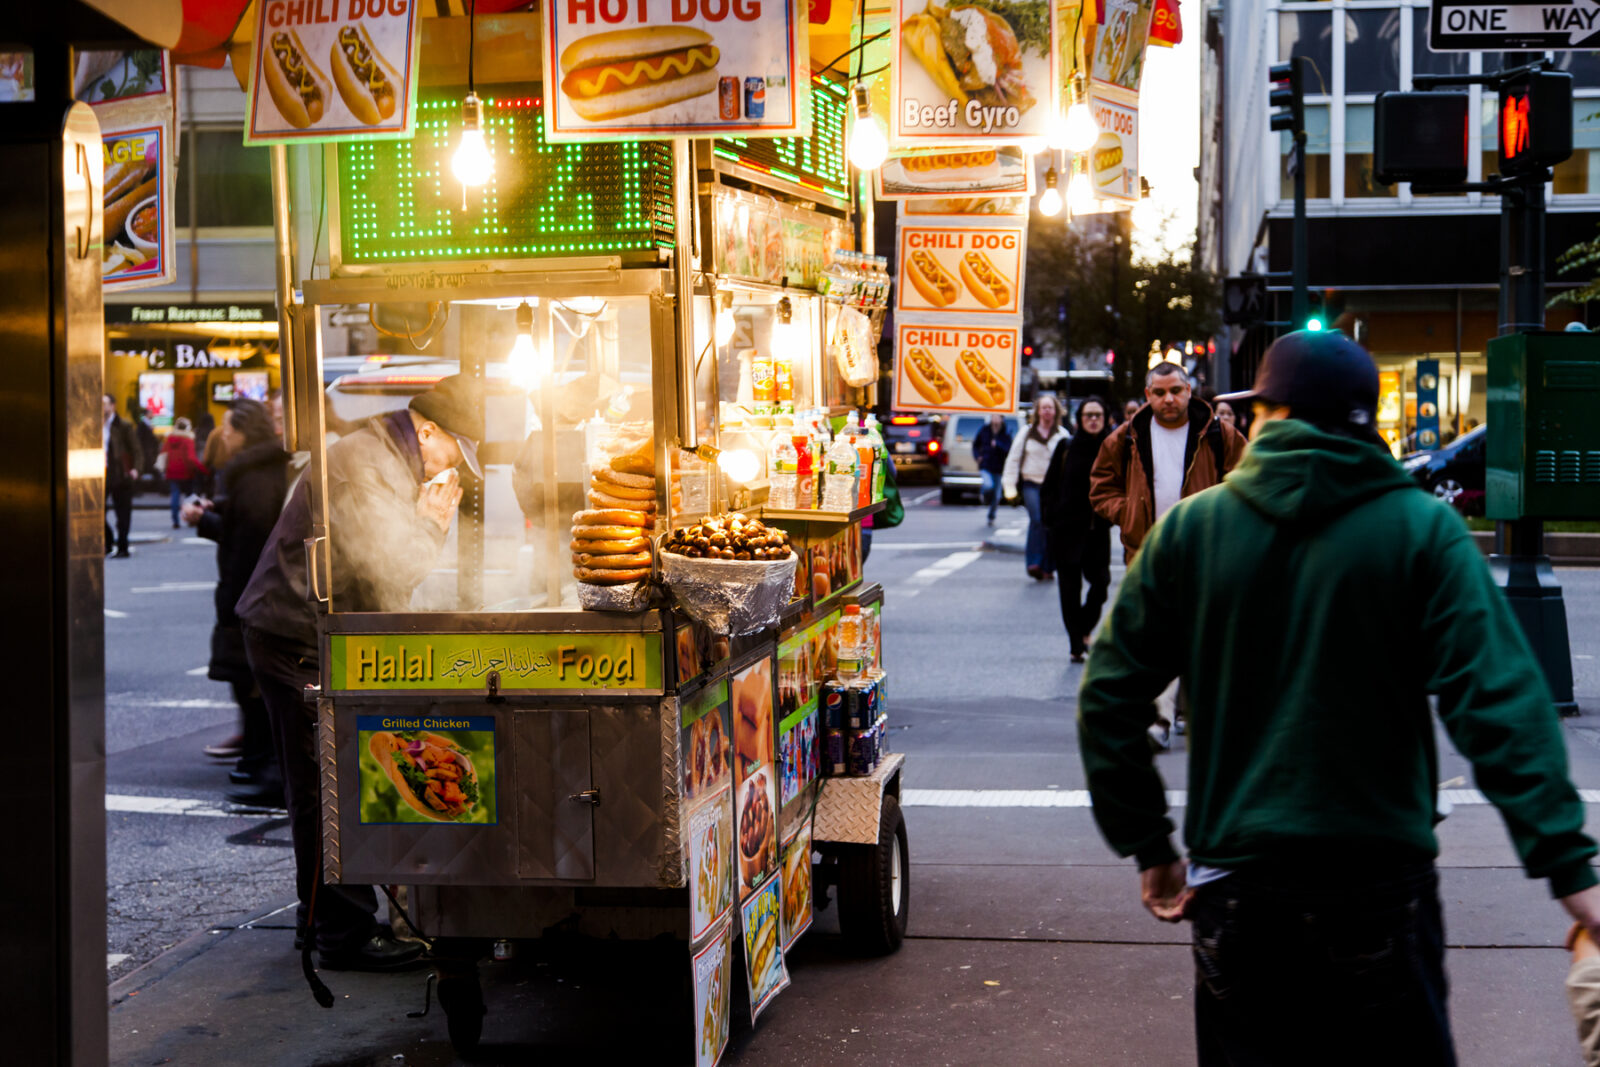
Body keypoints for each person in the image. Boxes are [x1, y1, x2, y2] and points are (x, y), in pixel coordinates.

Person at [1078, 329, 1600, 1066]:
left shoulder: (1192, 532)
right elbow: (1501, 706)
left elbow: (1108, 702)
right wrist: (1571, 870)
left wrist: (1151, 846)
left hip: (1236, 884)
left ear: (1273, 413)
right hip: (1380, 881)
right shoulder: (1423, 531)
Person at [236, 376, 483, 971]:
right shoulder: (365, 464)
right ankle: (341, 935)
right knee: (325, 787)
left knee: (330, 779)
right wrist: (432, 525)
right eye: (455, 454)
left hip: (305, 631)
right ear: (427, 433)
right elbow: (386, 574)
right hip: (294, 638)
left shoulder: (384, 456)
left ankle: (317, 917)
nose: (454, 471)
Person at [1090, 364, 1245, 747]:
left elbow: (1247, 479)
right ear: (1148, 395)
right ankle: (1159, 718)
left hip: (1202, 549)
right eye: (1159, 392)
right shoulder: (1126, 437)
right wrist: (1126, 513)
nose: (1168, 399)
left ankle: (1187, 713)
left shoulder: (1217, 434)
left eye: (1176, 390)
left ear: (1190, 390)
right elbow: (1100, 486)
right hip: (1147, 550)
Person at [182, 399, 291, 801]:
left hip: (250, 597)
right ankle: (256, 761)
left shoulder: (255, 474)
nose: (222, 436)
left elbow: (250, 540)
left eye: (228, 429)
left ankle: (264, 765)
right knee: (247, 682)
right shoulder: (252, 471)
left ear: (244, 433)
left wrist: (209, 520)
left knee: (253, 684)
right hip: (249, 595)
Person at [1041, 396, 1112, 663]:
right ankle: (1075, 644)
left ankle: (1084, 627)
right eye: (1088, 415)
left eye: (1098, 415)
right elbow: (1048, 487)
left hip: (1097, 530)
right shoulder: (1066, 447)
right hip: (1066, 531)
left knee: (1101, 583)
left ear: (1105, 419)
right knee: (1069, 591)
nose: (1093, 420)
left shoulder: (1111, 448)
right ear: (1079, 419)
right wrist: (1050, 519)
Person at [1001, 393, 1068, 580]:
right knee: (1037, 520)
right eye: (1043, 407)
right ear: (1038, 411)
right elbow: (1013, 460)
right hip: (1032, 484)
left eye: (1050, 408)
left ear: (1056, 411)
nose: (1047, 411)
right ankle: (1034, 562)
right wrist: (1009, 488)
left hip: (1054, 488)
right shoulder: (1027, 433)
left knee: (1051, 526)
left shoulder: (1062, 435)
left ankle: (1048, 567)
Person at [103, 394, 140, 558]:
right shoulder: (93, 424)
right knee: (97, 512)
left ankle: (123, 547)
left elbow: (136, 449)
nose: (101, 407)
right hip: (100, 473)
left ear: (113, 406)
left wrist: (136, 469)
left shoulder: (123, 425)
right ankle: (108, 540)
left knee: (123, 513)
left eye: (104, 403)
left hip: (120, 474)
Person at [160, 416, 205, 529]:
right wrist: (203, 469)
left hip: (171, 471)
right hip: (186, 472)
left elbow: (163, 454)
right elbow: (191, 458)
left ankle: (175, 521)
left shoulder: (169, 439)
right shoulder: (188, 440)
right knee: (189, 496)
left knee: (175, 495)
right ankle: (191, 518)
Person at [972, 414, 1013, 525]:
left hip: (999, 467)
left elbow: (1009, 449)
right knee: (988, 485)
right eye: (993, 417)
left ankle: (991, 515)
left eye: (997, 417)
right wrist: (977, 456)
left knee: (997, 495)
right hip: (986, 464)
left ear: (1001, 419)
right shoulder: (985, 430)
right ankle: (984, 496)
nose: (994, 419)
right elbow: (975, 444)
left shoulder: (1006, 432)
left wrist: (998, 445)